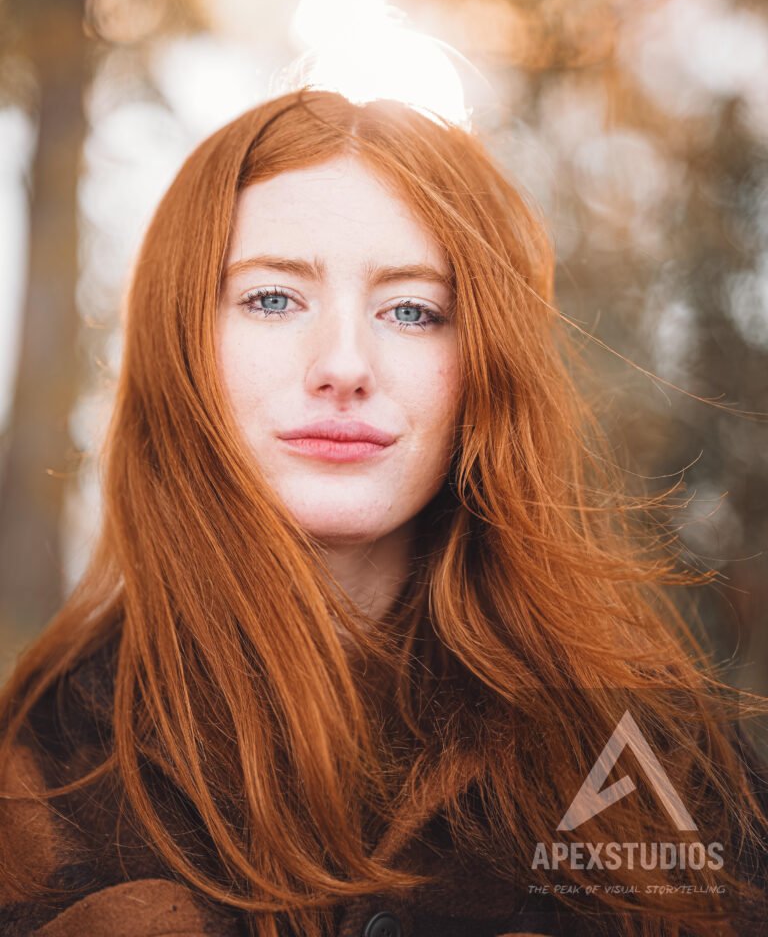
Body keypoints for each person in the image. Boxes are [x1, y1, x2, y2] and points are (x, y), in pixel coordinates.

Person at [0, 87, 766, 937]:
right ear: (181, 346)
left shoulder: (663, 758)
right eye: (272, 298)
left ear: (484, 364)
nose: (344, 365)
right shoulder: (37, 774)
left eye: (412, 311)